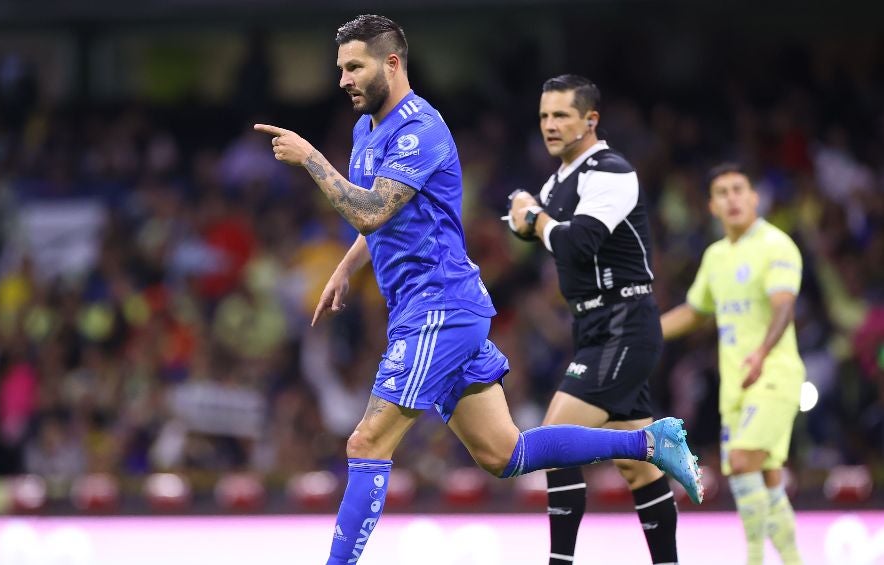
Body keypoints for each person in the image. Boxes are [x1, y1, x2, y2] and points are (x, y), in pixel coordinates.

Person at [254, 15, 703, 564]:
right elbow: (388, 216)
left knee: (366, 444)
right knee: (504, 452)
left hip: (438, 307)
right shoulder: (365, 131)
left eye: (355, 67)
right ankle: (650, 441)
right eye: (340, 69)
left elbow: (371, 210)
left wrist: (311, 161)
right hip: (424, 309)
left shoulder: (421, 129)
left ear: (391, 64)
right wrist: (348, 264)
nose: (343, 79)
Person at [505, 74, 682, 565]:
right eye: (544, 116)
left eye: (561, 114)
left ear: (590, 119)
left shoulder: (611, 171)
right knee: (637, 469)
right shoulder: (557, 181)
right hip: (593, 328)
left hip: (625, 322)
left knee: (552, 442)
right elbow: (543, 233)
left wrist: (532, 217)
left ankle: (559, 561)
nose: (550, 125)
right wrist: (527, 219)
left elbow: (577, 242)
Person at [660, 164, 803, 565]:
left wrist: (761, 353)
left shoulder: (777, 245)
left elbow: (784, 305)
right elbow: (695, 310)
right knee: (768, 479)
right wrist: (650, 333)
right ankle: (793, 559)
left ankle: (754, 558)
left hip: (773, 375)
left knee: (742, 463)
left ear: (755, 197)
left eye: (739, 189)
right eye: (722, 192)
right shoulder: (716, 256)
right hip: (735, 385)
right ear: (711, 206)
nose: (732, 198)